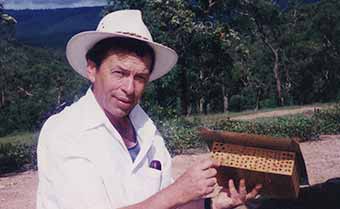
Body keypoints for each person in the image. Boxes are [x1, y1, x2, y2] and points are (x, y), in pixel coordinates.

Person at [36, 10, 261, 209]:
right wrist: (177, 192)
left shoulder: (147, 131)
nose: (129, 88)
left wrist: (212, 204)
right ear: (92, 69)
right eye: (119, 73)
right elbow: (168, 199)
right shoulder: (65, 132)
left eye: (140, 77)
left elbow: (166, 204)